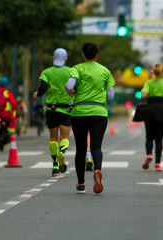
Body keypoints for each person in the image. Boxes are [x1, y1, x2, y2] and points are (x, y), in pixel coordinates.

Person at [65, 41, 115, 194]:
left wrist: (72, 91)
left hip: (79, 112)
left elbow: (68, 86)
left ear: (82, 54)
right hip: (99, 113)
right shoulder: (105, 71)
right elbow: (111, 96)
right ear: (97, 54)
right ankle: (97, 170)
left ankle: (81, 184)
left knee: (80, 149)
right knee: (96, 147)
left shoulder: (77, 68)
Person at [33, 48, 73, 177]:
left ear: (53, 58)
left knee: (53, 137)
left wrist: (37, 94)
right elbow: (76, 88)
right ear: (66, 59)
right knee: (65, 137)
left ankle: (55, 167)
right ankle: (62, 152)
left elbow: (43, 88)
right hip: (67, 109)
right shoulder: (71, 71)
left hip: (52, 108)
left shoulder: (46, 72)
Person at [140, 63, 163, 171]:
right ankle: (158, 164)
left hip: (150, 109)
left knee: (149, 136)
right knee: (159, 139)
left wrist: (148, 101)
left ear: (154, 72)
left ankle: (148, 155)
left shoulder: (149, 82)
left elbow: (144, 95)